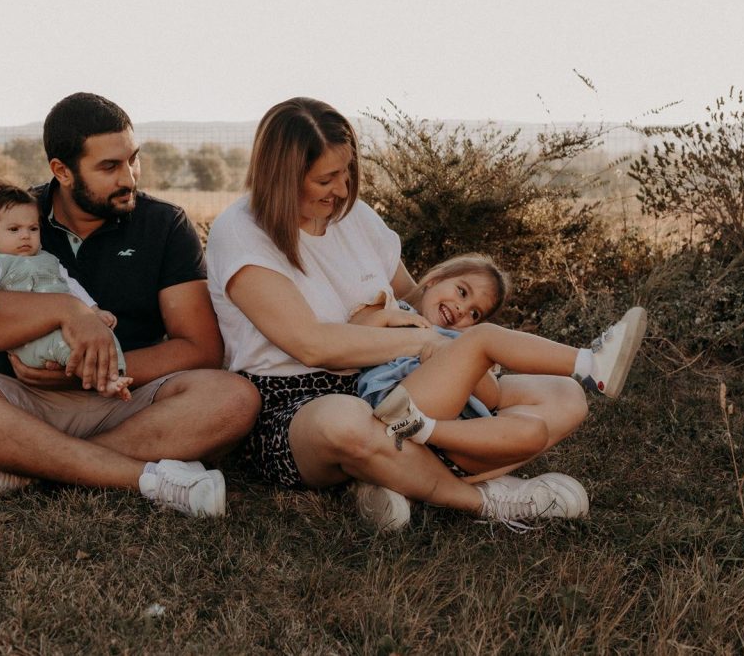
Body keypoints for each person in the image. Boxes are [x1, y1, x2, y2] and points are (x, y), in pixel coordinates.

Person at [206, 96, 591, 532]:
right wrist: (423, 343)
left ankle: (386, 472)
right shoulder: (241, 232)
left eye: (348, 170)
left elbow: (409, 293)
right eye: (326, 178)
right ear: (283, 176)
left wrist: (453, 341)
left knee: (565, 396)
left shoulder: (356, 218)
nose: (343, 188)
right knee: (345, 423)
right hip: (293, 402)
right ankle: (482, 498)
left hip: (390, 375)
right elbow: (311, 345)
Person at [0, 92, 260, 517]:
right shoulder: (10, 215)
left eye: (133, 159)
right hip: (26, 401)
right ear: (61, 170)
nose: (129, 177)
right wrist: (66, 310)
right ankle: (144, 477)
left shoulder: (165, 224)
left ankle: (24, 468)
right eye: (109, 167)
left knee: (235, 399)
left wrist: (98, 369)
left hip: (130, 399)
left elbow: (200, 348)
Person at [351, 252, 647, 481]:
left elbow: (491, 398)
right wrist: (390, 320)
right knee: (487, 337)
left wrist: (464, 358)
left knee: (534, 432)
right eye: (462, 292)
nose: (460, 310)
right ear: (434, 279)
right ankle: (590, 363)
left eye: (474, 313)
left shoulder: (459, 341)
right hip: (394, 410)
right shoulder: (398, 310)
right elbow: (354, 331)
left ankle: (426, 454)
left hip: (448, 439)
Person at [0, 181, 132, 400]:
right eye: (14, 229)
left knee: (103, 337)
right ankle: (103, 382)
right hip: (32, 338)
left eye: (33, 229)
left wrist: (94, 310)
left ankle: (115, 375)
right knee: (71, 349)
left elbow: (71, 285)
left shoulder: (48, 259)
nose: (25, 236)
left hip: (66, 326)